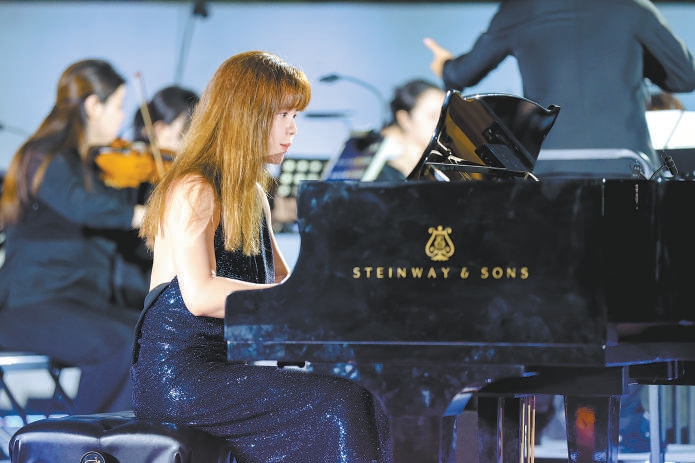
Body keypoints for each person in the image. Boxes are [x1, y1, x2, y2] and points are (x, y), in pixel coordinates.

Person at [131, 51, 392, 462]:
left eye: (295, 116)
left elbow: (283, 284)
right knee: (339, 401)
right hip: (179, 377)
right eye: (283, 115)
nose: (293, 129)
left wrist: (347, 284)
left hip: (229, 369)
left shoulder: (254, 196)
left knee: (371, 392)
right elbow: (200, 295)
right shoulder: (194, 188)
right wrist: (305, 301)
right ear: (245, 116)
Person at [0, 59, 145, 414]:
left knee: (153, 336)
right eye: (118, 106)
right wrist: (139, 214)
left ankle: (130, 436)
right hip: (30, 303)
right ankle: (87, 439)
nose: (121, 118)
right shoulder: (43, 155)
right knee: (122, 344)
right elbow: (84, 206)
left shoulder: (92, 166)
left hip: (78, 301)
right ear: (93, 106)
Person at [423, 0, 695, 171]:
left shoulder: (519, 9)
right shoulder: (635, 7)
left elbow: (460, 75)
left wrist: (444, 64)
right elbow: (685, 77)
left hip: (548, 164)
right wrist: (628, 62)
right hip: (626, 162)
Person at [111, 85, 200, 308]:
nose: (194, 141)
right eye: (186, 131)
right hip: (133, 284)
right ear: (158, 130)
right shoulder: (134, 175)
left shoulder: (183, 177)